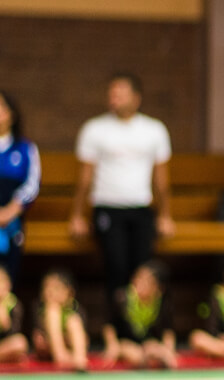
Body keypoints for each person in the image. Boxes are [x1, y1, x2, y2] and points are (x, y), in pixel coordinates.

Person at [69, 73, 174, 305]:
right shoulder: (94, 129)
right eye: (112, 93)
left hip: (141, 207)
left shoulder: (154, 130)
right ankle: (115, 331)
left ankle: (141, 330)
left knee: (143, 270)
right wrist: (77, 215)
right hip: (107, 207)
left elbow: (161, 180)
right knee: (116, 266)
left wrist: (165, 215)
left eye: (121, 93)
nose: (114, 98)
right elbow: (85, 179)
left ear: (136, 98)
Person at [102, 261, 177, 369]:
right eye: (138, 278)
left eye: (146, 281)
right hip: (125, 344)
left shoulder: (163, 303)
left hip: (150, 345)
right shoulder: (121, 298)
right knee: (134, 354)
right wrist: (112, 345)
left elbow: (168, 331)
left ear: (158, 288)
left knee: (155, 350)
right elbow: (109, 325)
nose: (138, 283)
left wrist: (168, 351)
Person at [0, 91, 39, 279]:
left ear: (12, 114)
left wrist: (10, 211)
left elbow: (32, 184)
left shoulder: (25, 148)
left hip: (12, 222)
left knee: (9, 272)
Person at [31, 269, 87, 371]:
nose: (50, 292)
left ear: (69, 292)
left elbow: (84, 338)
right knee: (53, 311)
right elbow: (38, 338)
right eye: (46, 287)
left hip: (70, 348)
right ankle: (60, 355)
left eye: (56, 288)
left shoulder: (74, 309)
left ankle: (79, 358)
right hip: (48, 348)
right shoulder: (42, 309)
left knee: (73, 321)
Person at [0, 267, 27, 363]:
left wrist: (3, 313)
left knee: (20, 343)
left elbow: (13, 333)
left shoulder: (14, 305)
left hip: (4, 346)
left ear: (8, 285)